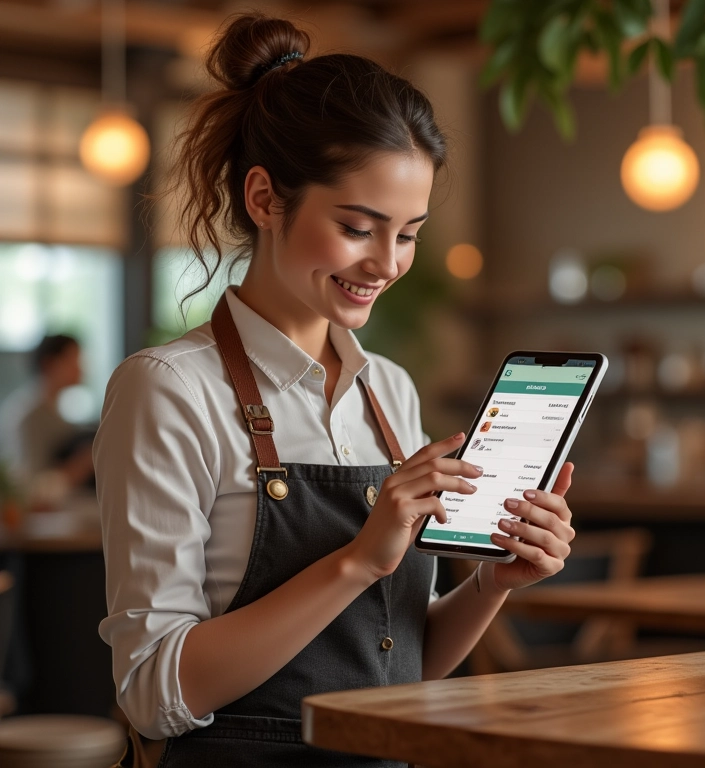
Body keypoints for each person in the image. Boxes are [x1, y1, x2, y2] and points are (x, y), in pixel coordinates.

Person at [95, 11, 576, 767]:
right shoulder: (167, 391)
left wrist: (492, 585)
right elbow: (154, 693)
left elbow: (397, 669)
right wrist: (359, 559)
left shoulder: (387, 390)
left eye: (409, 233)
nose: (386, 262)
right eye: (358, 226)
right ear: (264, 199)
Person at [0, 334, 94, 502]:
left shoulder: (55, 413)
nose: (81, 369)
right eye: (73, 361)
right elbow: (26, 487)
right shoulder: (27, 416)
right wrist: (82, 464)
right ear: (49, 363)